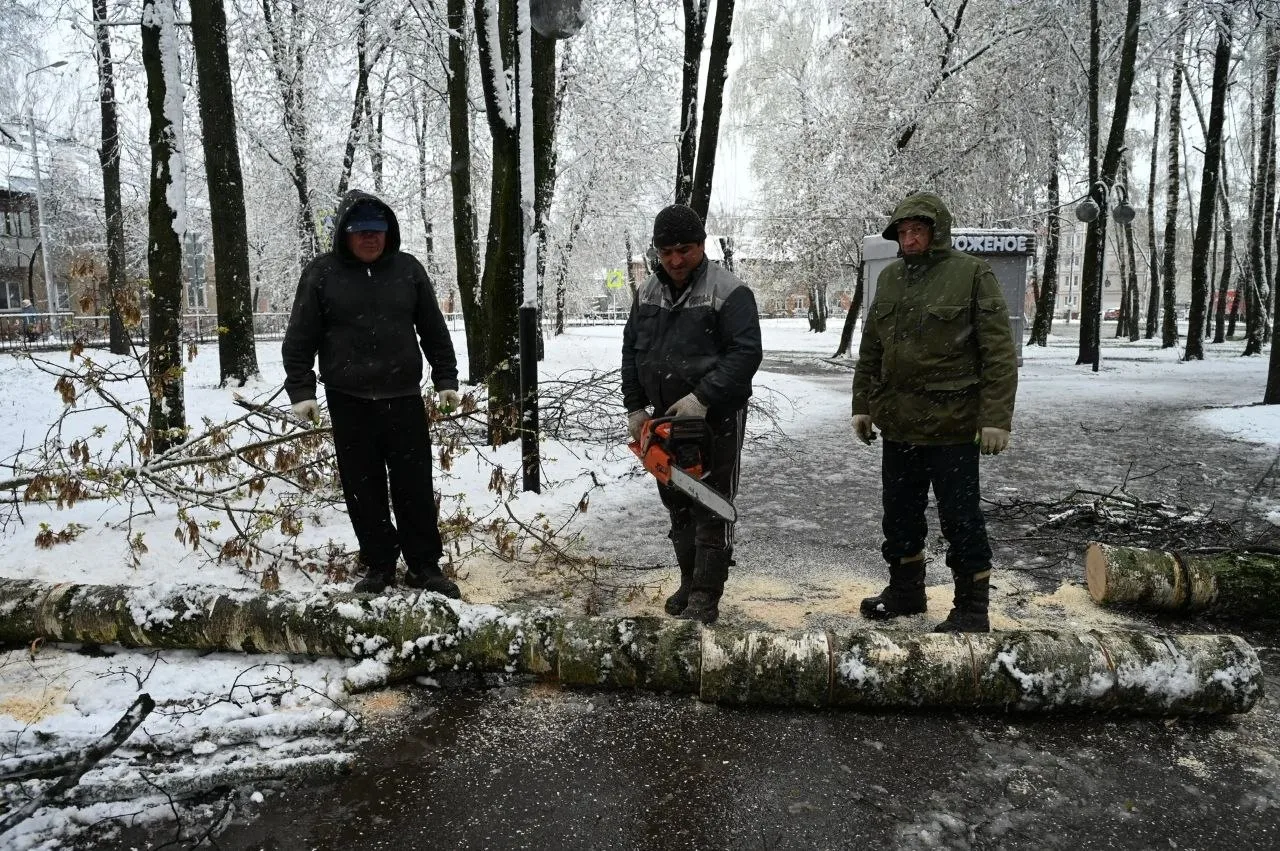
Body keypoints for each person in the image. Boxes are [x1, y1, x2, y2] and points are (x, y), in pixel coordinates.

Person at [851, 191, 1018, 633]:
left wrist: (996, 418)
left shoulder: (972, 275)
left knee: (960, 520)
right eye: (903, 232)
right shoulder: (889, 279)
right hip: (900, 426)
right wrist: (862, 405)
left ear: (936, 231)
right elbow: (872, 348)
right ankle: (906, 593)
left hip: (954, 427)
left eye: (917, 230)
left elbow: (999, 353)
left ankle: (971, 608)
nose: (909, 239)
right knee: (899, 515)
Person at [282, 190, 462, 597]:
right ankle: (379, 563)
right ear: (345, 235)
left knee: (413, 484)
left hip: (403, 398)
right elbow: (299, 340)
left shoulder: (408, 271)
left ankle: (423, 565)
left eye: (377, 230)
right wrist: (301, 390)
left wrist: (446, 379)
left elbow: (434, 330)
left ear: (388, 232)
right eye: (360, 231)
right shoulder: (322, 274)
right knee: (363, 489)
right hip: (350, 400)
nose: (370, 238)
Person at [621, 204, 763, 625]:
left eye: (684, 249)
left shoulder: (729, 291)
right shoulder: (646, 293)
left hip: (713, 417)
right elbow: (632, 350)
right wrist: (634, 406)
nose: (676, 260)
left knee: (710, 503)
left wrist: (703, 397)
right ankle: (688, 580)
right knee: (677, 504)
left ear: (701, 245)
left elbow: (745, 353)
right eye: (667, 251)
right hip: (662, 419)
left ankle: (706, 594)